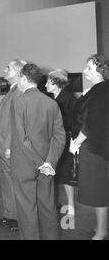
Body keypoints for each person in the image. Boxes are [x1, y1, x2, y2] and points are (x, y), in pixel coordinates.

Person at [10, 62, 65, 240]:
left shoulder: (19, 102)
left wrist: (41, 163)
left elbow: (22, 138)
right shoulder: (51, 103)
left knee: (27, 210)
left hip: (25, 164)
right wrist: (50, 162)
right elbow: (59, 137)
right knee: (48, 207)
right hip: (47, 165)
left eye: (19, 78)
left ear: (24, 79)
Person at [69, 54, 109, 240]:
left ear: (101, 71)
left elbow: (91, 122)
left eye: (89, 68)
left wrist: (76, 142)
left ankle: (101, 231)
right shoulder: (100, 89)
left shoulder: (100, 90)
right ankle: (101, 228)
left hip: (95, 149)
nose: (85, 71)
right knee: (100, 188)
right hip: (99, 147)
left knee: (98, 189)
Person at [0, 59, 26, 232]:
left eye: (9, 68)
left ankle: (17, 219)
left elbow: (16, 122)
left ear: (18, 71)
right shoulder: (13, 91)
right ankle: (11, 215)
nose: (5, 70)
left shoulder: (19, 92)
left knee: (13, 183)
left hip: (9, 147)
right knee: (7, 182)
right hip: (3, 146)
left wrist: (10, 146)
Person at [45, 70, 77, 217]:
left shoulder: (69, 98)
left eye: (48, 82)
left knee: (65, 174)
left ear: (57, 84)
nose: (45, 85)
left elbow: (76, 122)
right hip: (55, 140)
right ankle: (55, 205)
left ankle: (70, 206)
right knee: (56, 173)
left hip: (67, 139)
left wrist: (74, 142)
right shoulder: (51, 99)